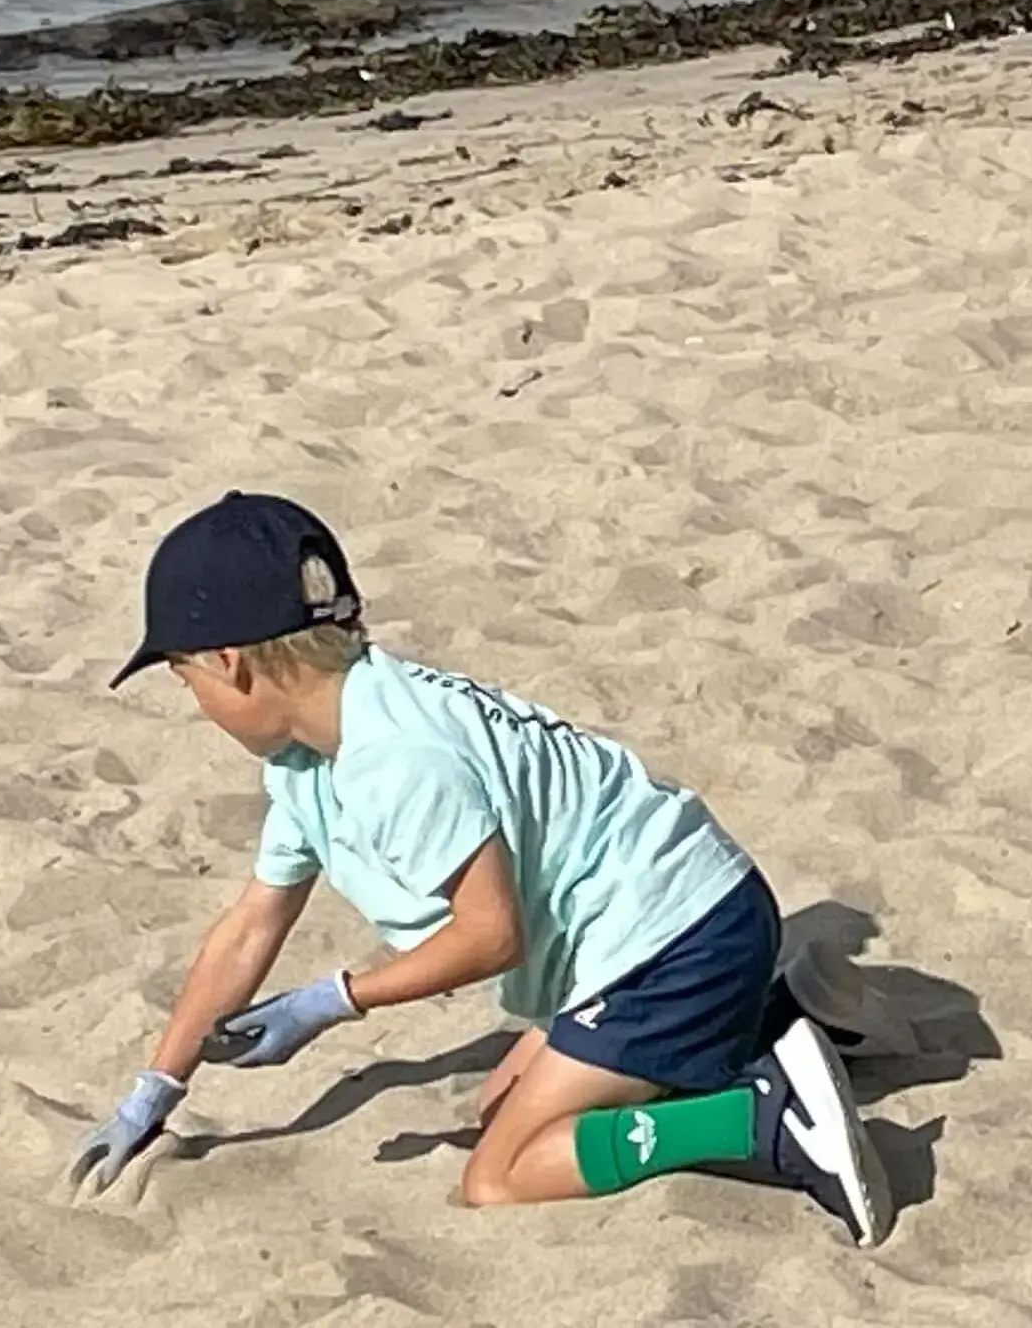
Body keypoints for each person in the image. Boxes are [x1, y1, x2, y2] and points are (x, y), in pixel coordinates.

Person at [59, 490, 893, 1245]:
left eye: (183, 676)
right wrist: (156, 1088)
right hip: (689, 913)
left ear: (230, 664)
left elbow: (491, 935)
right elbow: (250, 924)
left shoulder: (396, 757)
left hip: (671, 940)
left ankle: (763, 1117)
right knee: (495, 1104)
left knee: (500, 1172)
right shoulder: (317, 748)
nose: (191, 699)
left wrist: (332, 1000)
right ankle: (774, 1013)